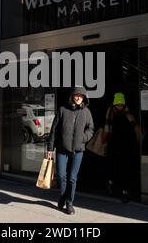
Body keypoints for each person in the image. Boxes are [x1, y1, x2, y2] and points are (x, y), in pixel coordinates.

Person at [47, 87, 94, 215]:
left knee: (72, 178)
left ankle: (69, 203)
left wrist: (82, 138)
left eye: (81, 95)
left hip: (78, 150)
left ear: (84, 97)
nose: (78, 97)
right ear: (72, 96)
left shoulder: (86, 112)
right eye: (76, 95)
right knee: (62, 176)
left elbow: (91, 129)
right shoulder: (63, 110)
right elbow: (54, 131)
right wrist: (50, 148)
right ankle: (63, 196)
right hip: (62, 149)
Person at [106, 92, 141, 202]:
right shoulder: (111, 114)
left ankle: (124, 192)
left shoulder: (128, 115)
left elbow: (135, 130)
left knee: (125, 170)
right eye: (118, 105)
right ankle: (113, 187)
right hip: (114, 146)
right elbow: (108, 130)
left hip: (126, 147)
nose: (120, 107)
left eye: (122, 105)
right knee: (115, 168)